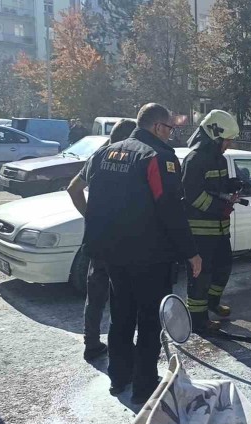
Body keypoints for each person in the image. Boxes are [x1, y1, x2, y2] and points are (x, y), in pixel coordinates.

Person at [81, 103, 202, 404]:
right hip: (150, 257)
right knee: (149, 321)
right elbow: (171, 210)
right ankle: (144, 387)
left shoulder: (105, 152)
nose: (171, 135)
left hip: (112, 254)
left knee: (120, 315)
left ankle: (118, 376)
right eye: (171, 129)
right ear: (158, 127)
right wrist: (192, 253)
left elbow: (91, 197)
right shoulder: (158, 157)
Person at [67, 118, 137, 361]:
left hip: (98, 239)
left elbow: (73, 190)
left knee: (95, 294)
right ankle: (123, 346)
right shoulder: (135, 158)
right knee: (125, 294)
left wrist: (90, 216)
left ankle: (92, 343)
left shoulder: (97, 157)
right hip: (125, 241)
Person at [181, 110, 241, 333]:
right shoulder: (195, 159)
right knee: (200, 276)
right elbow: (192, 195)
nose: (228, 145)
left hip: (219, 228)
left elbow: (218, 188)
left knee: (223, 268)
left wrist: (231, 186)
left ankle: (213, 303)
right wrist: (220, 208)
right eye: (226, 140)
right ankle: (198, 320)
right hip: (200, 231)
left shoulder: (220, 160)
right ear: (215, 136)